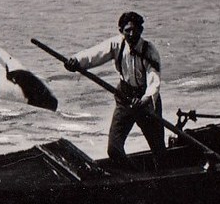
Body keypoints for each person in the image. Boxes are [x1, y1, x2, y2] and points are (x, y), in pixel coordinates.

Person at [63, 11, 165, 164]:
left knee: (159, 150)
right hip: (124, 99)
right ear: (120, 31)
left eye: (135, 30)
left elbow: (154, 79)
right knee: (114, 149)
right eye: (127, 30)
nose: (131, 34)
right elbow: (94, 55)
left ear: (141, 30)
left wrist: (145, 99)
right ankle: (133, 176)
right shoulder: (116, 45)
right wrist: (75, 62)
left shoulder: (150, 50)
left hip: (146, 102)